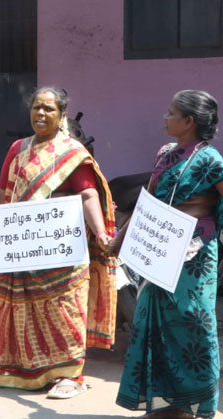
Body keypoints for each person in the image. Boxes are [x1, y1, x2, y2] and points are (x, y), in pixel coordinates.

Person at [0, 87, 117, 399]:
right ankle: (26, 370)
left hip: (61, 247)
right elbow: (3, 193)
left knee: (64, 310)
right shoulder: (18, 148)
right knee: (24, 307)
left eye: (48, 109)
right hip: (23, 246)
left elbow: (87, 195)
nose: (40, 114)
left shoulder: (73, 152)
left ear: (62, 116)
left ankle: (71, 375)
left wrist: (100, 234)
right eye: (36, 108)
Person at [113, 90, 222, 419]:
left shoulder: (212, 160)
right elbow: (150, 200)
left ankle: (195, 406)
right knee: (154, 323)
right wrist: (120, 240)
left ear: (188, 121)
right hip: (159, 249)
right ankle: (166, 404)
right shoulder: (164, 154)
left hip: (194, 255)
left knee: (194, 323)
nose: (165, 116)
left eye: (171, 112)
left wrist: (200, 223)